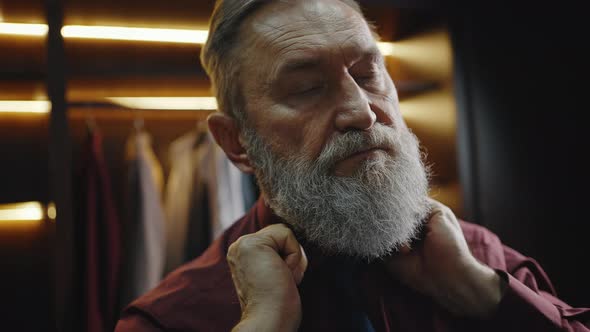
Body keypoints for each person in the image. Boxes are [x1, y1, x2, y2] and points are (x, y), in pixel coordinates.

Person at [115, 0, 590, 331]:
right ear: (237, 142)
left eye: (368, 74)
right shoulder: (173, 318)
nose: (361, 111)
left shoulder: (476, 258)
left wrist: (488, 296)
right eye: (306, 88)